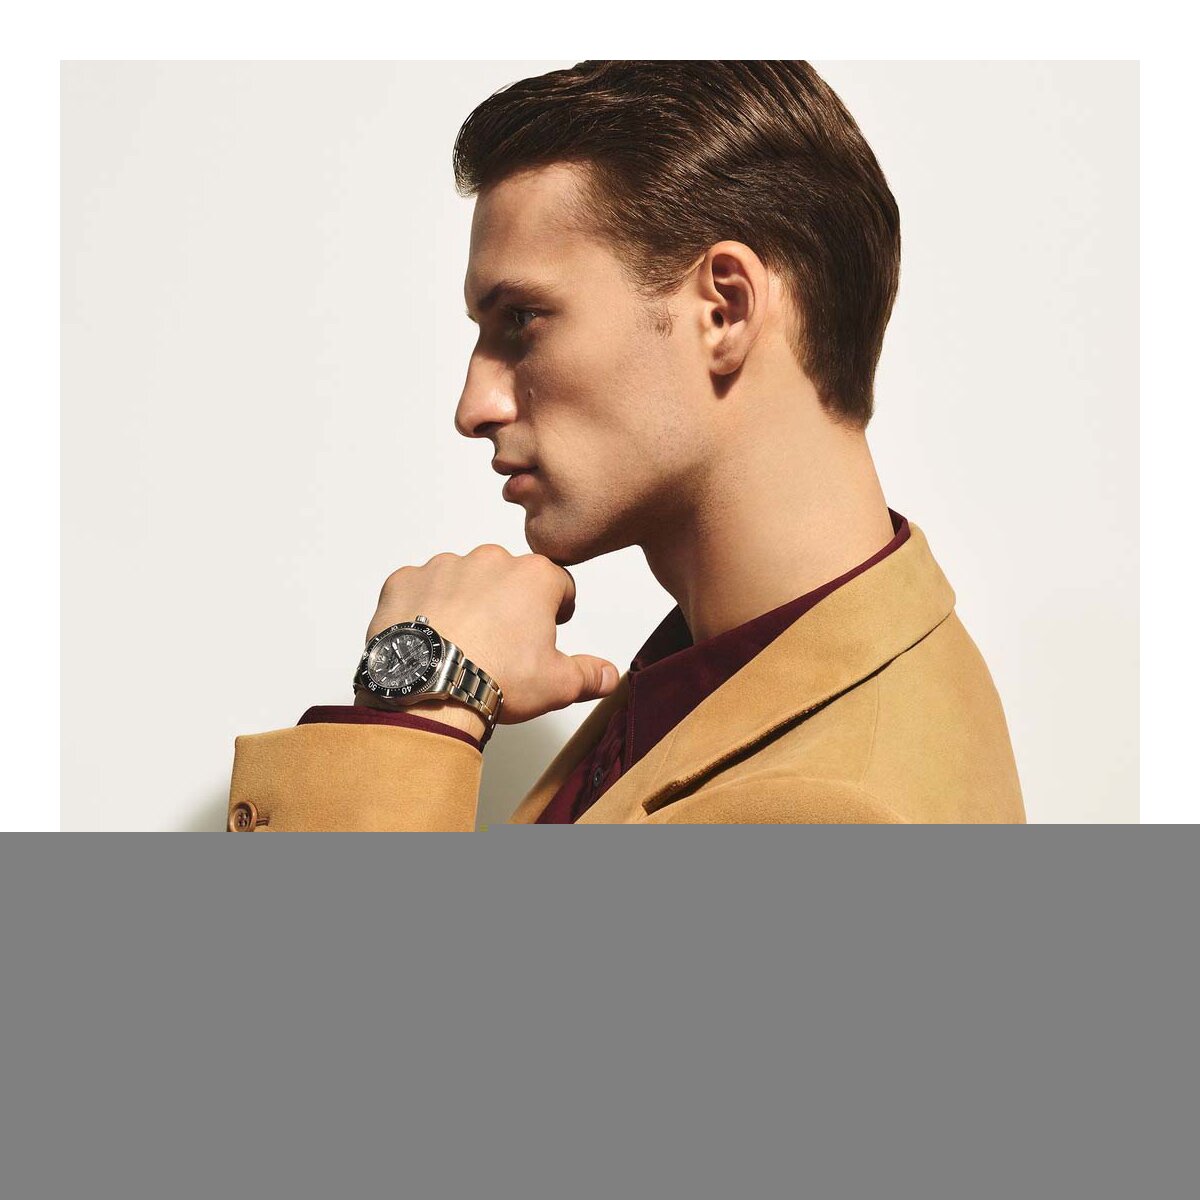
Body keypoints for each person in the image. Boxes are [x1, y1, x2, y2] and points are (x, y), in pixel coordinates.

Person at [226, 60, 1025, 830]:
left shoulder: (830, 810)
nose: (475, 407)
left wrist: (420, 705)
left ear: (724, 311)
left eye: (522, 320)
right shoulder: (734, 677)